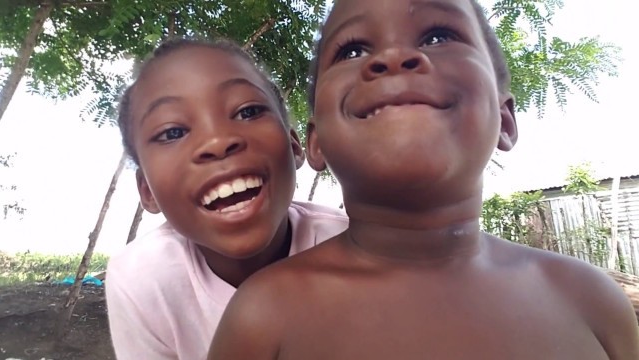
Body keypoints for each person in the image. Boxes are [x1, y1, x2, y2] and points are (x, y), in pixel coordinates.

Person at [208, 0, 639, 359]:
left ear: (505, 119)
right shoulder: (264, 315)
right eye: (353, 49)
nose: (393, 58)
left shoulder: (590, 299)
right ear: (316, 141)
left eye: (438, 36)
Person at [105, 38, 348, 360]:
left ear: (294, 146)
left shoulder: (350, 247)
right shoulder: (144, 278)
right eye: (172, 132)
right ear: (148, 192)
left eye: (247, 111)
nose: (218, 142)